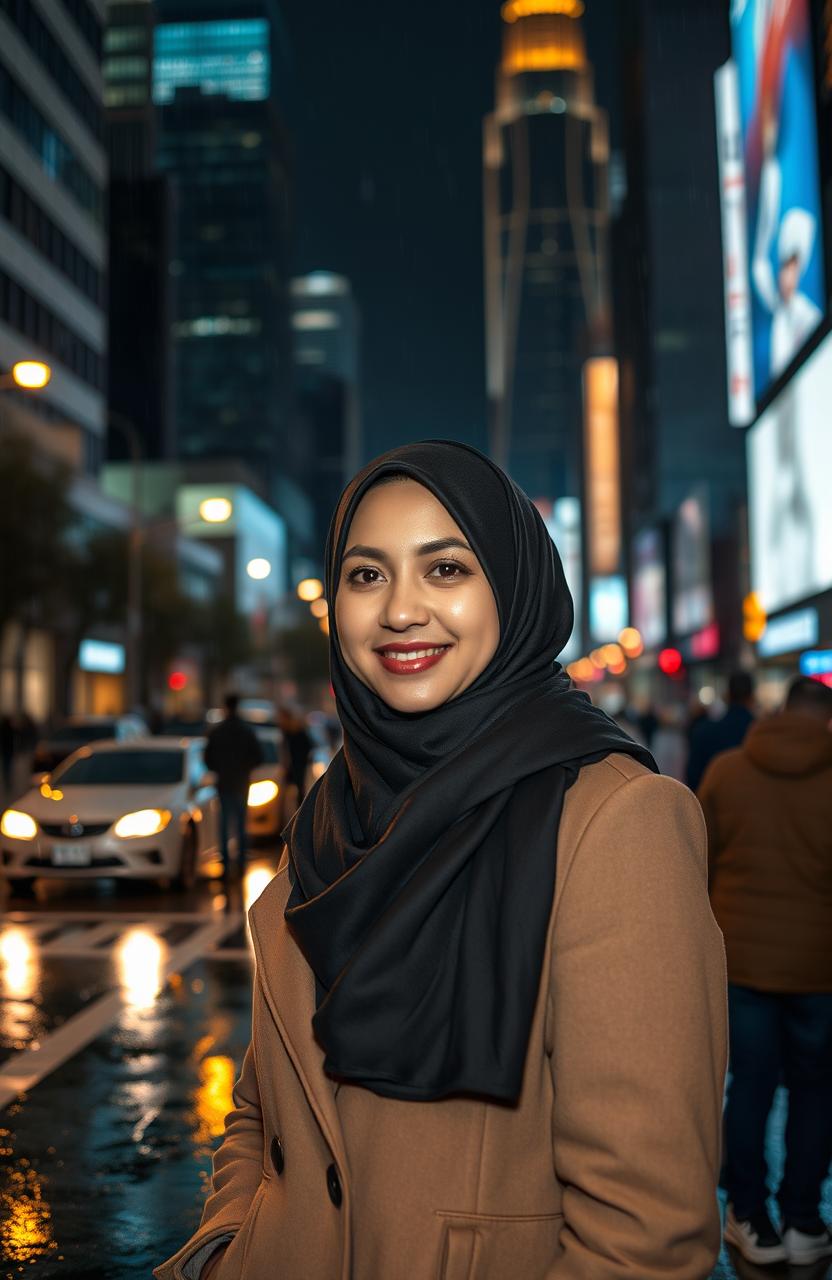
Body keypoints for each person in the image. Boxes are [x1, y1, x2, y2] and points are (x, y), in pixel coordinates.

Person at [157, 442, 727, 1280]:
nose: (400, 611)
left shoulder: (616, 821)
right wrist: (226, 1248)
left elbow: (643, 1241)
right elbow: (262, 1107)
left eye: (447, 569)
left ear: (514, 589)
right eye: (366, 575)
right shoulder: (331, 816)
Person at [698, 676, 832, 1267]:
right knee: (816, 1090)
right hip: (820, 967)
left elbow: (698, 856)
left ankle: (749, 1216)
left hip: (743, 960)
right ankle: (804, 1219)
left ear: (779, 712)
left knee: (748, 1086)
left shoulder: (728, 771)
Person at [204, 693, 263, 878]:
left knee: (224, 825)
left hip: (224, 783)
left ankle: (226, 864)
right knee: (241, 824)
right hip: (241, 782)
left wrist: (220, 769)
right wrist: (244, 768)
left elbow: (208, 758)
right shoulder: (246, 731)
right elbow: (258, 757)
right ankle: (241, 862)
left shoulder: (217, 731)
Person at [686, 671, 755, 793]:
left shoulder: (704, 731)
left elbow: (693, 777)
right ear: (752, 698)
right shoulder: (760, 733)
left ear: (727, 696)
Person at [276, 705, 312, 804]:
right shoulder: (286, 732)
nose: (280, 720)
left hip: (297, 766)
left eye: (282, 717)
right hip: (292, 766)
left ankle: (300, 813)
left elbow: (306, 748)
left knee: (299, 792)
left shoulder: (297, 732)